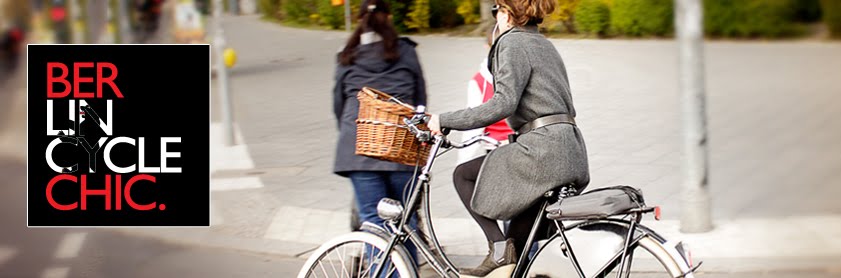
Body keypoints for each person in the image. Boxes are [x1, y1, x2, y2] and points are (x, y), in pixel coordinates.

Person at [428, 0, 590, 276]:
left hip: (542, 150)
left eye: (496, 10)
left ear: (506, 13)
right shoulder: (545, 45)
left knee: (464, 175)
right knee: (518, 239)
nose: (495, 18)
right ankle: (507, 251)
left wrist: (444, 120)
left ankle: (498, 249)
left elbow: (503, 103)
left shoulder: (511, 42)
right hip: (571, 151)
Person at [332, 0, 426, 265]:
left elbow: (338, 104)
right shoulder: (406, 51)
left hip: (359, 145)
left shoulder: (346, 54)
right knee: (405, 222)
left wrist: (353, 134)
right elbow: (420, 99)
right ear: (389, 17)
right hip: (400, 145)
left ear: (360, 18)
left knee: (374, 223)